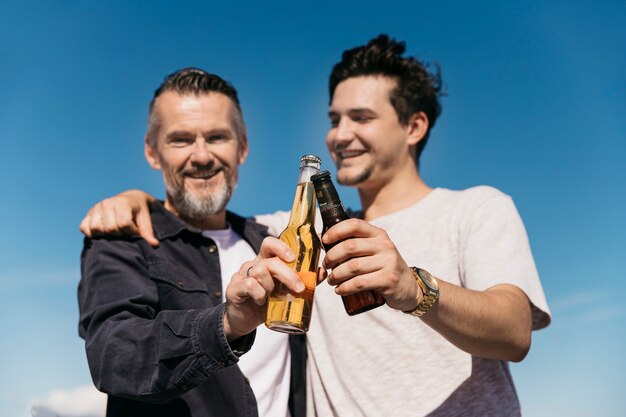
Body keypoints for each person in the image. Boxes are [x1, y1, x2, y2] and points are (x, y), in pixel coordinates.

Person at [81, 35, 551, 416]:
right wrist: (133, 199)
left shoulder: (475, 209)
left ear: (414, 127)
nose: (339, 135)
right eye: (334, 119)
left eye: (361, 118)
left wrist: (412, 288)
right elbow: (197, 210)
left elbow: (514, 332)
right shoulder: (289, 233)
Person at [78, 68, 308, 417]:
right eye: (181, 140)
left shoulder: (274, 242)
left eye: (217, 137)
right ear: (153, 152)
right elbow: (116, 358)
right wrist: (228, 324)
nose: (201, 156)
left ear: (242, 147)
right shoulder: (122, 239)